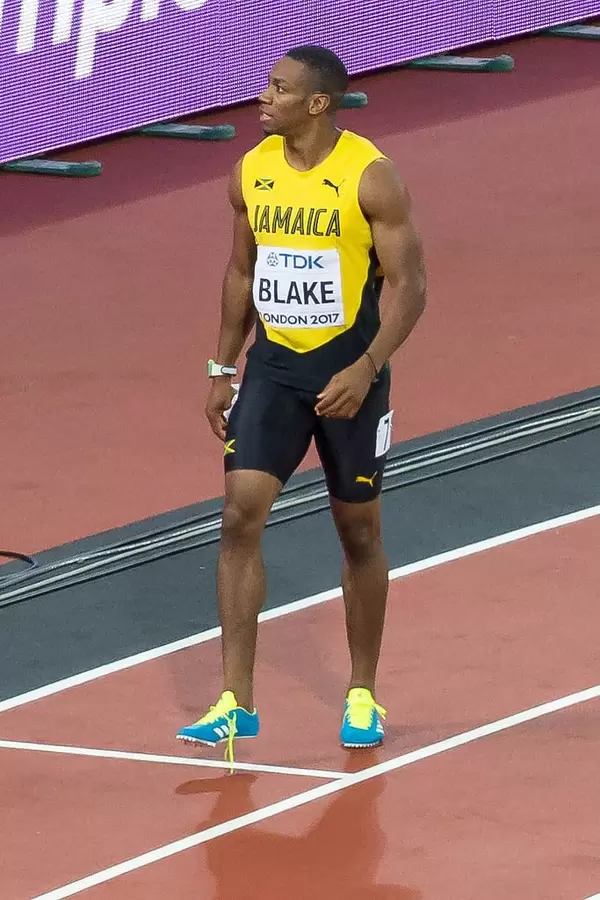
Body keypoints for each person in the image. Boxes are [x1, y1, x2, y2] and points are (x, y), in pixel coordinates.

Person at [177, 45, 426, 760]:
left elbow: (410, 287)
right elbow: (241, 269)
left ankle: (362, 691)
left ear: (317, 104)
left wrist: (368, 366)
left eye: (279, 89)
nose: (263, 97)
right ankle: (234, 702)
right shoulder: (250, 171)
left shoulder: (370, 177)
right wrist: (223, 365)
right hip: (275, 371)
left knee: (357, 534)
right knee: (238, 515)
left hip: (351, 375)